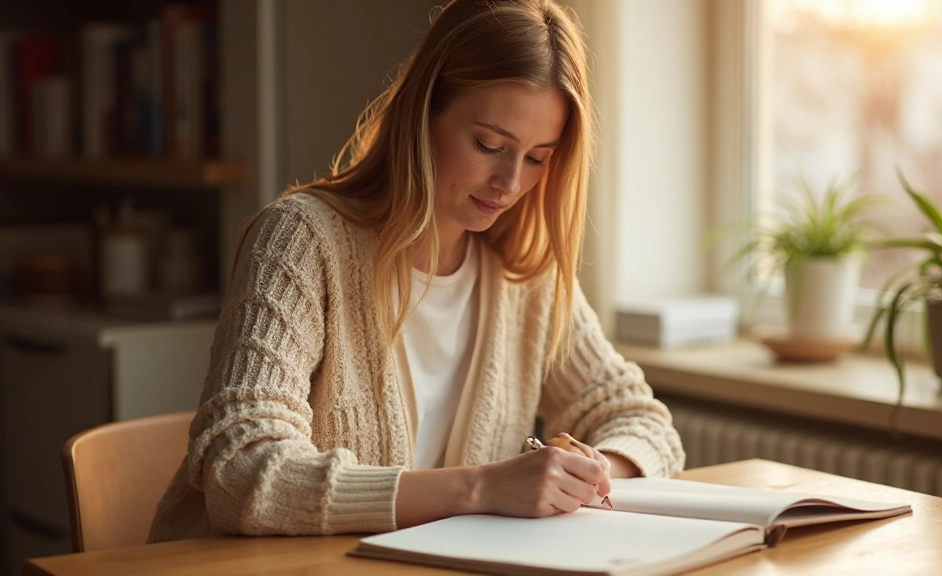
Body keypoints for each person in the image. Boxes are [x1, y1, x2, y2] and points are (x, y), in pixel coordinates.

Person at [148, 0, 684, 543]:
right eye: (489, 145)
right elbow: (241, 471)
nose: (510, 182)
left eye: (537, 158)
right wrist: (480, 488)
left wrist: (585, 477)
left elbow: (642, 421)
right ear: (423, 113)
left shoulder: (523, 275)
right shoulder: (301, 241)